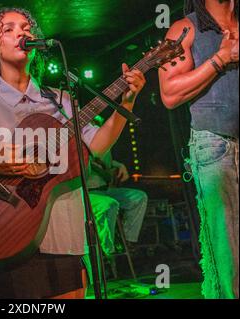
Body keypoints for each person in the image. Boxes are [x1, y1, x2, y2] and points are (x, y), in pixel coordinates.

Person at [0, 7, 145, 299]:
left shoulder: (63, 100)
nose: (22, 33)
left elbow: (97, 145)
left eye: (26, 28)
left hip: (62, 239)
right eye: (9, 29)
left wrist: (126, 103)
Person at [158, 0, 238, 299]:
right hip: (215, 144)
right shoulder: (184, 29)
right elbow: (169, 93)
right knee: (227, 248)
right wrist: (221, 58)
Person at [86, 136, 148, 256]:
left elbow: (106, 162)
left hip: (105, 189)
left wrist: (119, 165)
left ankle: (126, 240)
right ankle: (107, 250)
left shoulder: (102, 135)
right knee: (109, 204)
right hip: (88, 193)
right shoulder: (80, 138)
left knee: (139, 197)